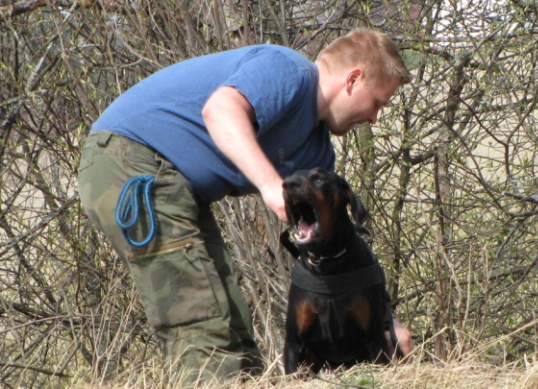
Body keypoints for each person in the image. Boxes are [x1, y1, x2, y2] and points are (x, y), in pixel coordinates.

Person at [77, 29, 413, 385]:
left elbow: (338, 244)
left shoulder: (317, 151)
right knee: (201, 324)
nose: (375, 118)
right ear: (353, 79)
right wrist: (270, 184)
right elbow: (220, 110)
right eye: (378, 103)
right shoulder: (288, 71)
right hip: (129, 163)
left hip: (180, 187)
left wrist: (386, 320)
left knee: (234, 323)